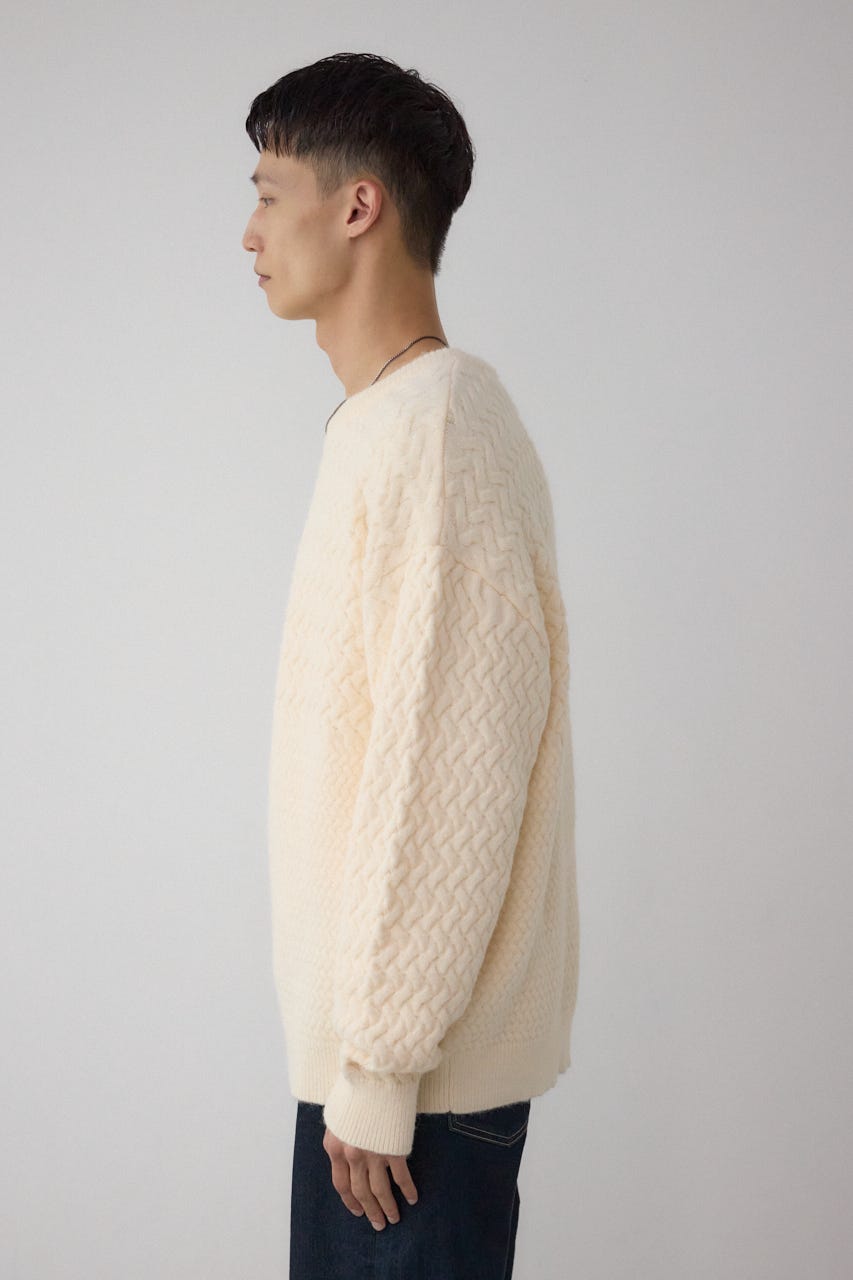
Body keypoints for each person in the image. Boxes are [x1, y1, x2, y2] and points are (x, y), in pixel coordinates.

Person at [241, 51, 580, 1280]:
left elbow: (446, 774)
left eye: (268, 193)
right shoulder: (387, 422)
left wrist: (378, 1070)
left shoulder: (437, 428)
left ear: (358, 205)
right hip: (378, 1079)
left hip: (408, 1098)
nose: (249, 232)